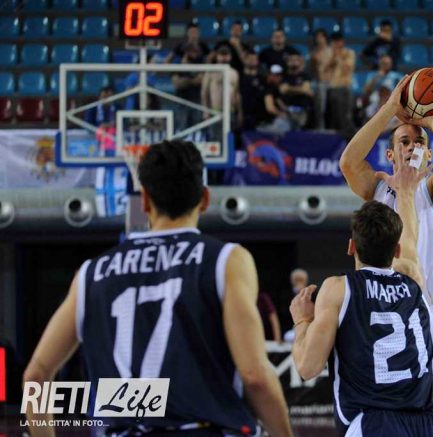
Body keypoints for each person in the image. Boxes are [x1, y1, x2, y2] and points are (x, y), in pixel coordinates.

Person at [23, 140, 293, 436]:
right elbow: (254, 376)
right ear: (205, 198)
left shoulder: (91, 273)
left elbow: (36, 376)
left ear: (144, 201)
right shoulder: (226, 260)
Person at [339, 75, 433, 435]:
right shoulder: (379, 190)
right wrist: (389, 109)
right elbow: (349, 162)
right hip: (381, 318)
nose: (412, 146)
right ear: (390, 154)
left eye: (419, 142)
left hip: (427, 317)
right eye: (404, 141)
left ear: (429, 153)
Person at [290, 158, 433, 436]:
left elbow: (307, 367)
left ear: (351, 247)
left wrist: (302, 321)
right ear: (396, 251)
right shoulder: (413, 279)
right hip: (430, 425)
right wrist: (406, 192)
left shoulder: (338, 288)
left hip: (375, 422)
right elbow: (410, 239)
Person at [322, 31, 356, 137]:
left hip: (345, 87)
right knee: (335, 116)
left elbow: (347, 68)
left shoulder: (349, 53)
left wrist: (339, 57)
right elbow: (324, 70)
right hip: (332, 88)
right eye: (334, 42)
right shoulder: (328, 53)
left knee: (345, 116)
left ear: (342, 42)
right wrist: (333, 57)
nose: (336, 44)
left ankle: (350, 137)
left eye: (338, 41)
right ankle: (342, 137)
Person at [201, 43, 241, 131]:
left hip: (230, 111)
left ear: (230, 57)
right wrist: (205, 111)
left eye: (226, 55)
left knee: (229, 136)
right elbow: (205, 92)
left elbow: (236, 93)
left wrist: (239, 112)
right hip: (214, 110)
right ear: (217, 56)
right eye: (221, 55)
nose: (224, 58)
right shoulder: (211, 71)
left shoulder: (234, 73)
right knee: (215, 137)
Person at [172, 44, 204, 130]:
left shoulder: (201, 64)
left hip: (196, 100)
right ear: (187, 52)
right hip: (181, 100)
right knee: (181, 127)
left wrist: (186, 80)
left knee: (197, 127)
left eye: (196, 51)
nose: (196, 54)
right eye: (193, 51)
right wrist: (192, 81)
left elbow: (200, 80)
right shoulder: (178, 65)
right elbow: (177, 83)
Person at [280, 53, 314, 129]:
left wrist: (289, 89)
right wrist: (300, 89)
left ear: (300, 62)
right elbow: (282, 90)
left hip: (302, 110)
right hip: (287, 110)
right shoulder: (285, 76)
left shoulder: (305, 75)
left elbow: (305, 89)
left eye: (296, 60)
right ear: (288, 63)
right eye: (291, 60)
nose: (293, 61)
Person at [259, 64, 293, 135]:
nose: (278, 78)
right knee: (283, 124)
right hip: (263, 125)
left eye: (279, 75)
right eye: (275, 75)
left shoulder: (274, 88)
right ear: (269, 75)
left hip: (270, 122)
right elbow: (270, 109)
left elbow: (281, 104)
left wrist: (290, 112)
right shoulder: (266, 87)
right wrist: (282, 114)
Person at [240, 50, 267, 130]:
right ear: (244, 60)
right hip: (242, 114)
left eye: (254, 59)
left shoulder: (263, 78)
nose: (252, 61)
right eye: (250, 59)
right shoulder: (239, 77)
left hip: (259, 117)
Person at [310, 29, 332, 129]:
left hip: (332, 82)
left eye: (321, 37)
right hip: (320, 82)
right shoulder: (314, 53)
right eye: (317, 37)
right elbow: (313, 71)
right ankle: (320, 126)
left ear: (325, 38)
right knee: (319, 91)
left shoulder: (332, 51)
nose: (319, 39)